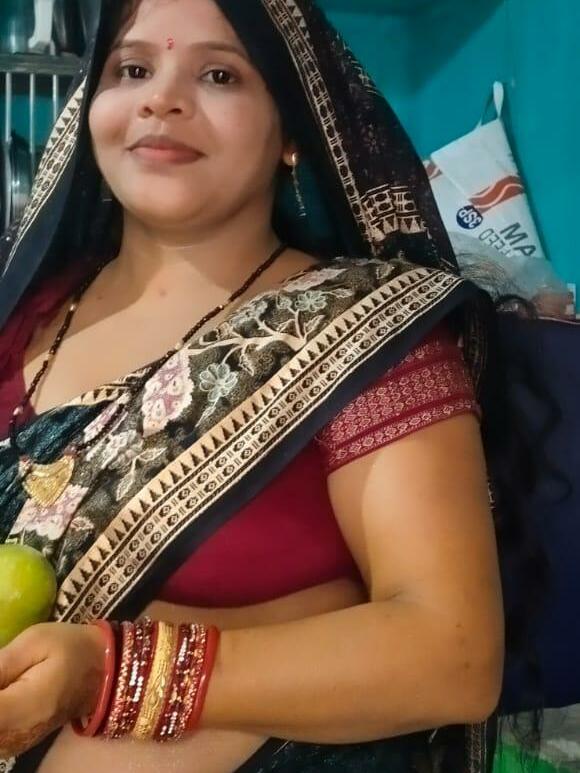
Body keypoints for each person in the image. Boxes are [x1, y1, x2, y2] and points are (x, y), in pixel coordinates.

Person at [0, 0, 505, 770]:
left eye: (219, 75)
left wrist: (114, 671)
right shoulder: (23, 319)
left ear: (293, 131)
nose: (162, 98)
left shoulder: (366, 334)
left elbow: (452, 654)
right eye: (131, 68)